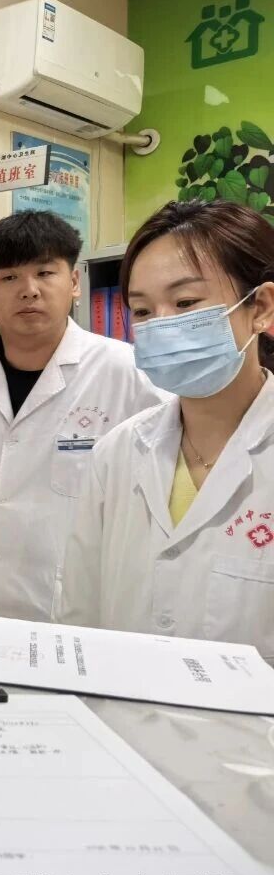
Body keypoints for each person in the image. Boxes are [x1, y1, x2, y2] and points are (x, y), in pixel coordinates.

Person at [0, 210, 161, 622]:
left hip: (74, 610)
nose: (29, 291)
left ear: (74, 282)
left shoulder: (129, 374)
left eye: (45, 273)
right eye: (9, 277)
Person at [58, 200, 274, 661]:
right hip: (119, 706)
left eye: (186, 303)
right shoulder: (118, 453)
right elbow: (79, 615)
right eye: (142, 311)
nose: (161, 325)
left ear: (260, 307)